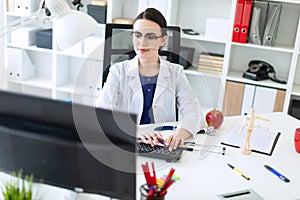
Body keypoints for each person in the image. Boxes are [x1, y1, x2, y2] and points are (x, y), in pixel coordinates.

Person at [96, 8, 204, 150]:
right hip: (126, 142)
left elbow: (194, 112)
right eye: (138, 35)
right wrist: (136, 131)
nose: (142, 43)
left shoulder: (176, 73)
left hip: (163, 144)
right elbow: (102, 114)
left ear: (163, 40)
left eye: (150, 37)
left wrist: (179, 134)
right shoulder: (118, 71)